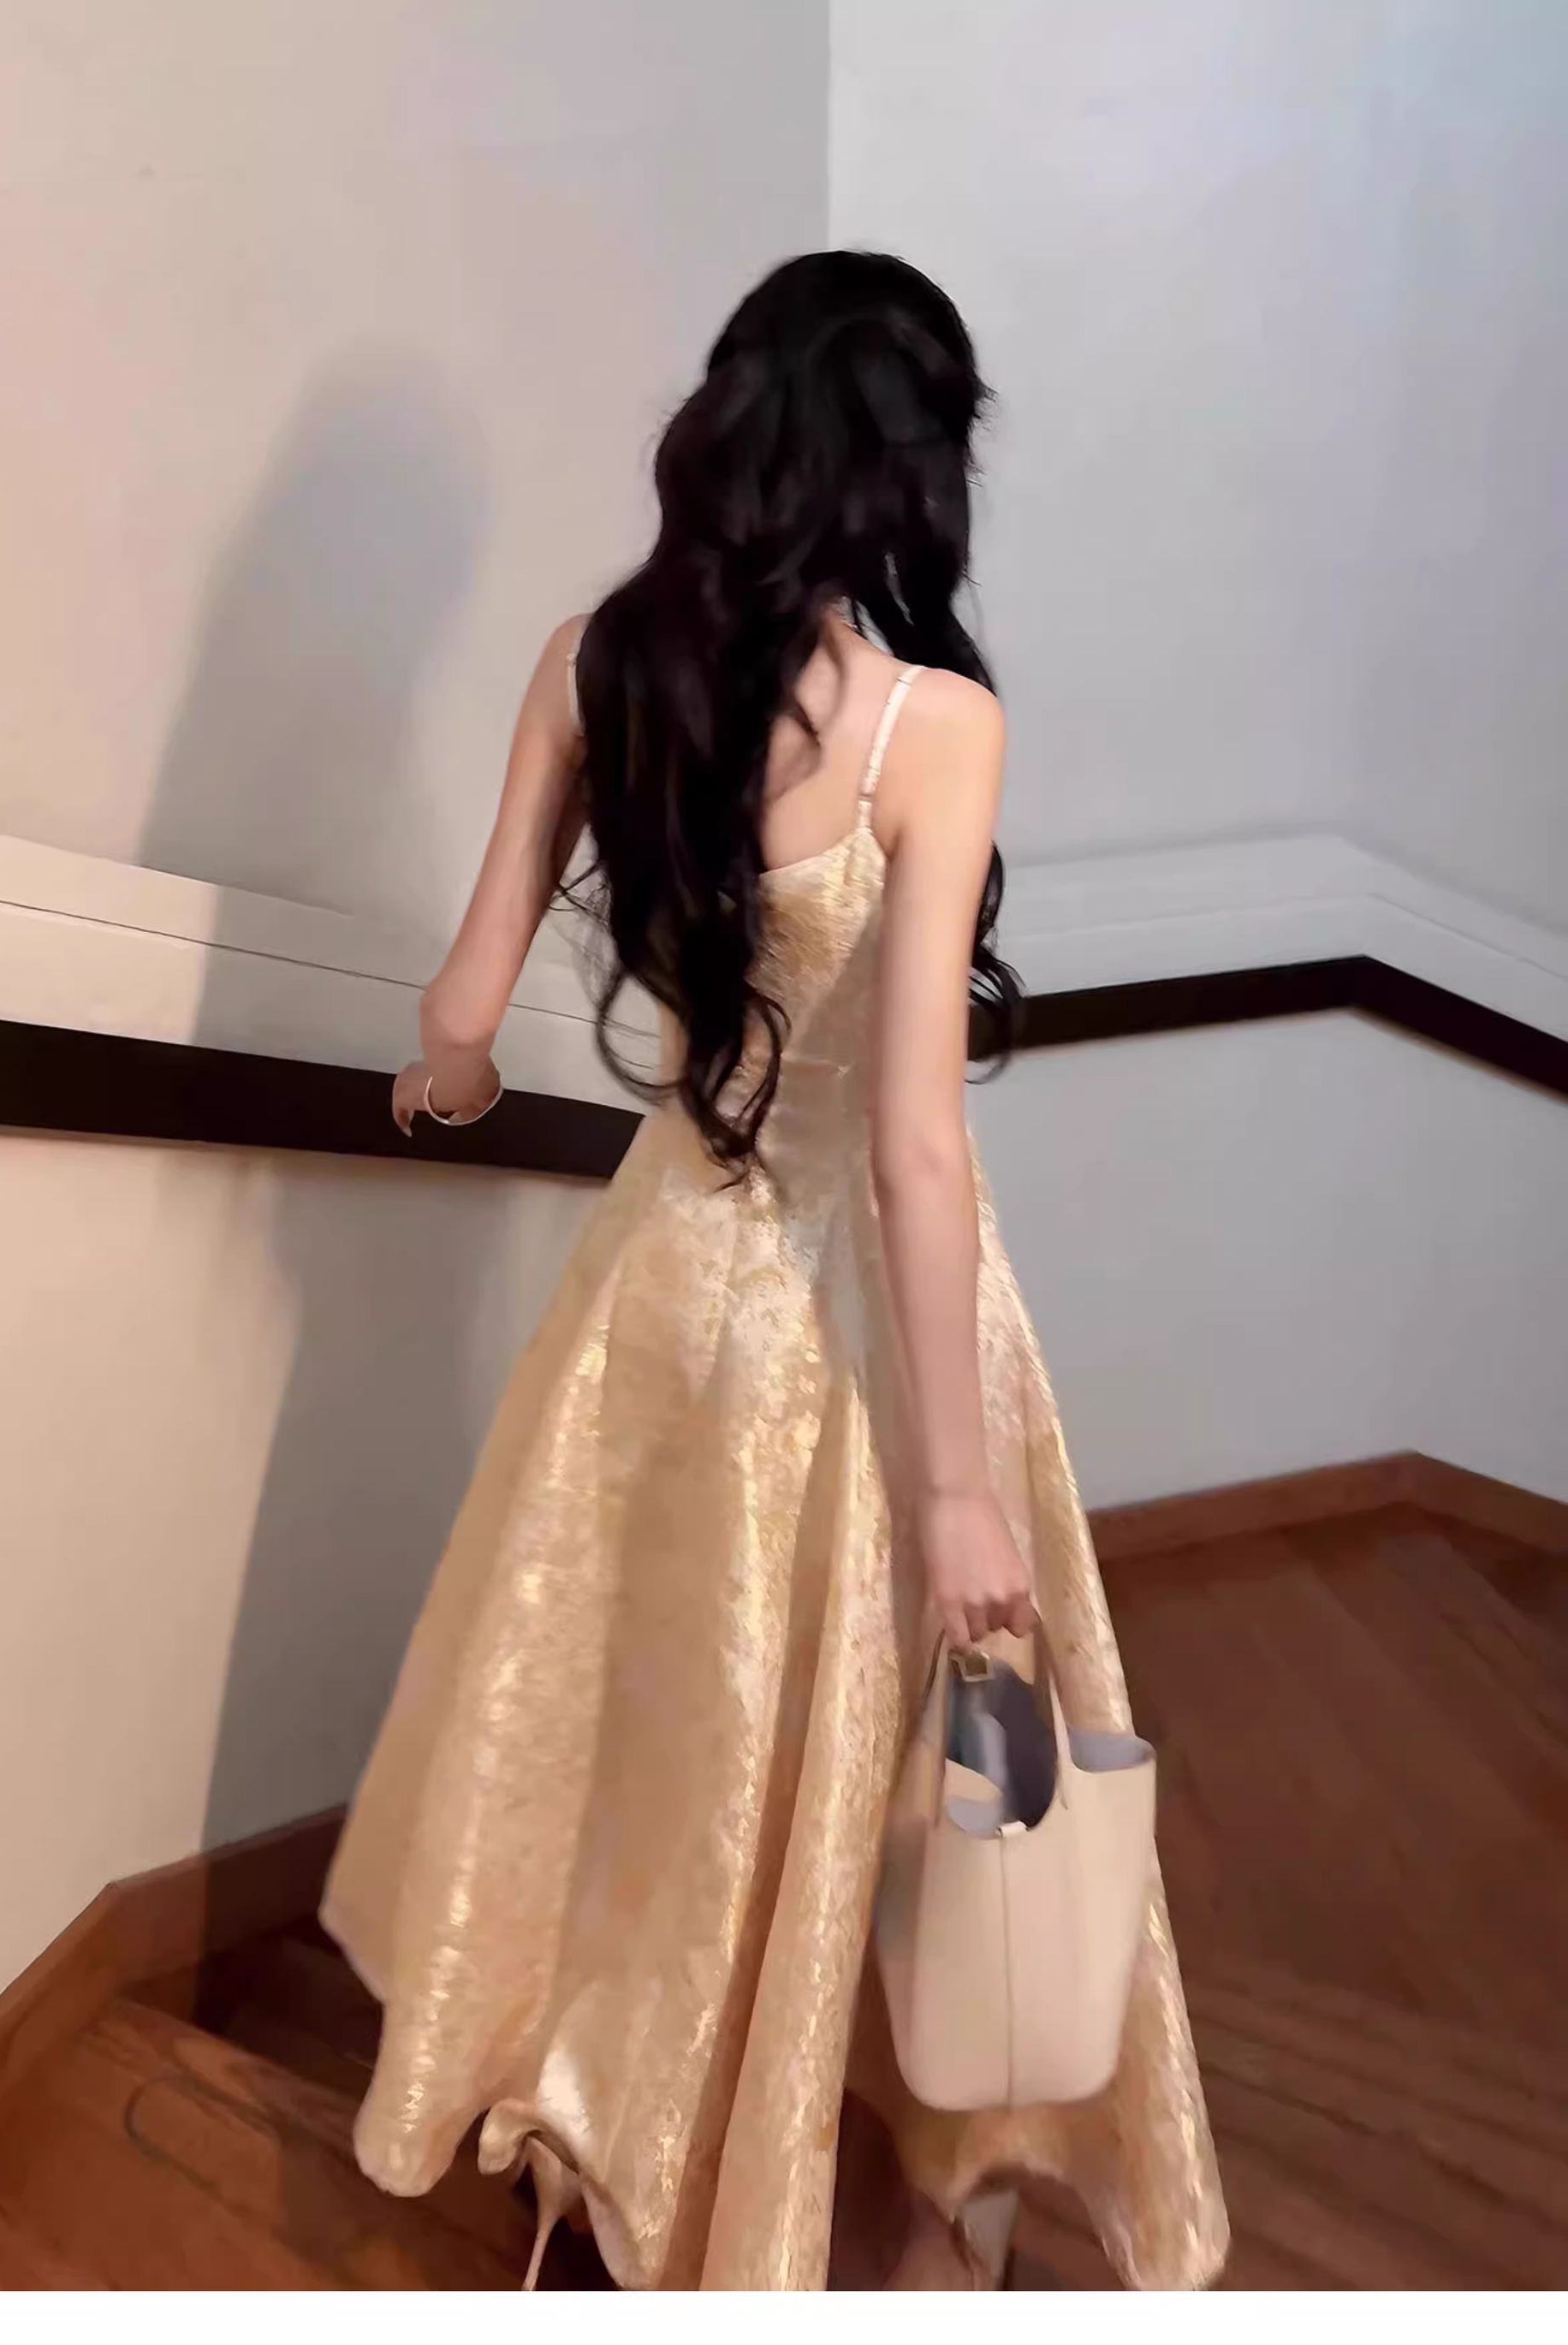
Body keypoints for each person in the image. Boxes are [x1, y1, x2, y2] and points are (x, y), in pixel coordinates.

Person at [322, 250, 1227, 2292]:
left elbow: (460, 1005)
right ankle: (929, 2170)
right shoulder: (931, 723)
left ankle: (602, 2152)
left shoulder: (590, 663)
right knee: (907, 1748)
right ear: (906, 465)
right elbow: (910, 1143)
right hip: (857, 1324)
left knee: (642, 1729)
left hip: (652, 1294)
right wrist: (960, 1483)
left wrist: (442, 1086)